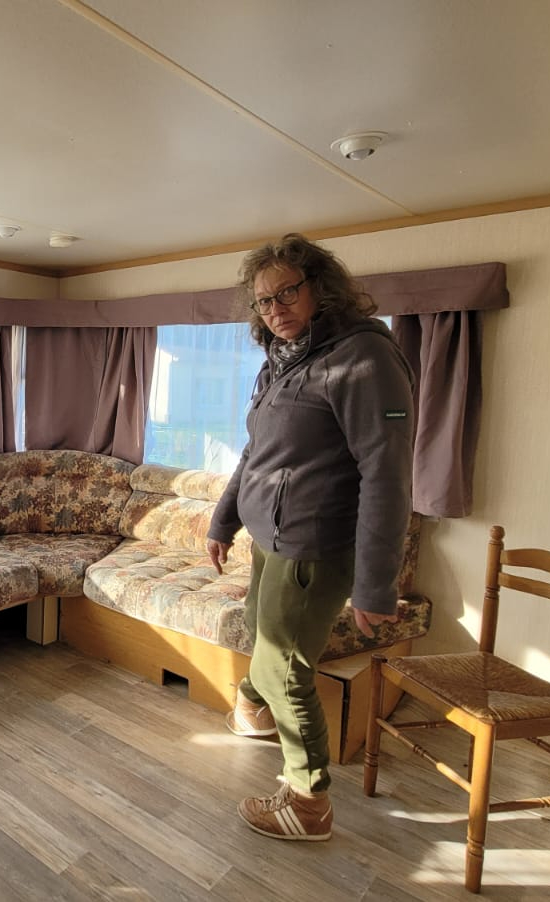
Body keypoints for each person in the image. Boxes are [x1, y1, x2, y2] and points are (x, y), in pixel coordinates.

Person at [207, 233, 413, 842]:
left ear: (320, 287)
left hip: (314, 546)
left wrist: (376, 584)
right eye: (263, 301)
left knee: (284, 671)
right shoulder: (283, 360)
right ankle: (254, 712)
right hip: (270, 537)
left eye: (287, 293)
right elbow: (256, 454)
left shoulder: (363, 357)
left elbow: (387, 473)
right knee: (261, 632)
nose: (275, 309)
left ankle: (308, 800)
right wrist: (223, 521)